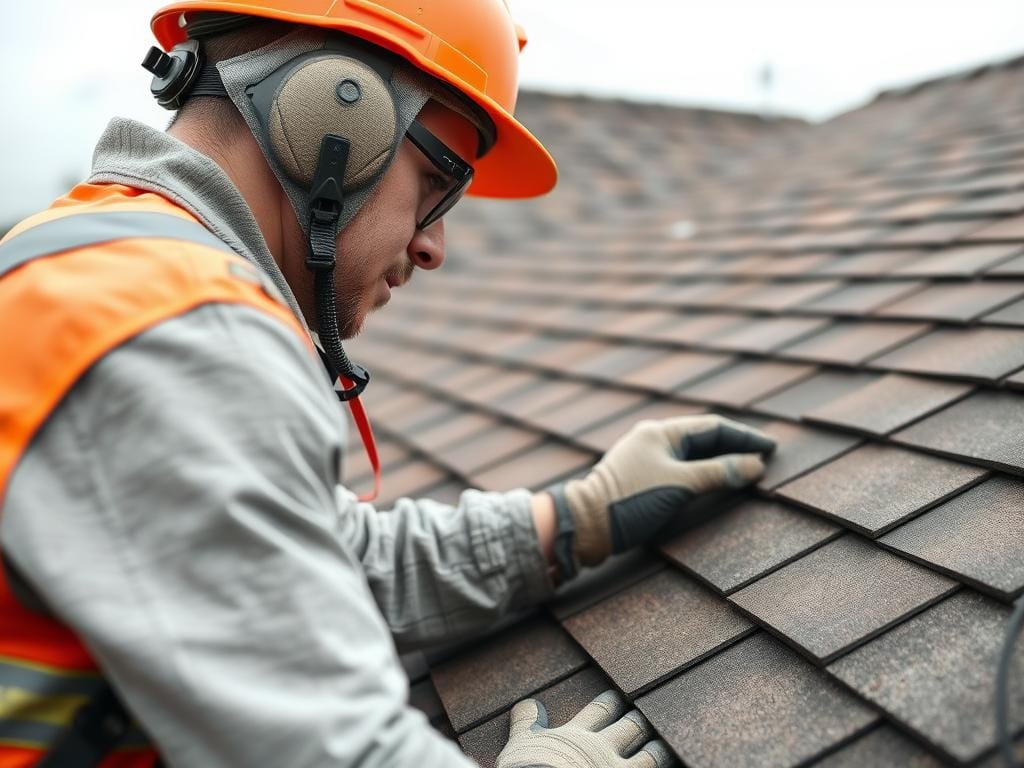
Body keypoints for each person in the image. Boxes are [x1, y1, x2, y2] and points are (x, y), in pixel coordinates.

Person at [0, 2, 776, 766]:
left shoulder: (82, 268)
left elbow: (300, 564)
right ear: (336, 123)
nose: (434, 245)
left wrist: (572, 520)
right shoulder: (178, 336)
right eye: (439, 184)